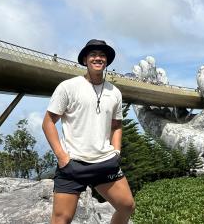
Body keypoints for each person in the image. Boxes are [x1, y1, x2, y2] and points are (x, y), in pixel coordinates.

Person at [42, 39, 135, 224]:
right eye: (93, 55)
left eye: (102, 55)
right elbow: (48, 123)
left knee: (127, 206)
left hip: (105, 162)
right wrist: (62, 157)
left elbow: (116, 125)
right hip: (73, 164)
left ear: (106, 61)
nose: (98, 58)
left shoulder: (114, 92)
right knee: (61, 219)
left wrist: (116, 152)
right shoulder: (68, 87)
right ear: (85, 60)